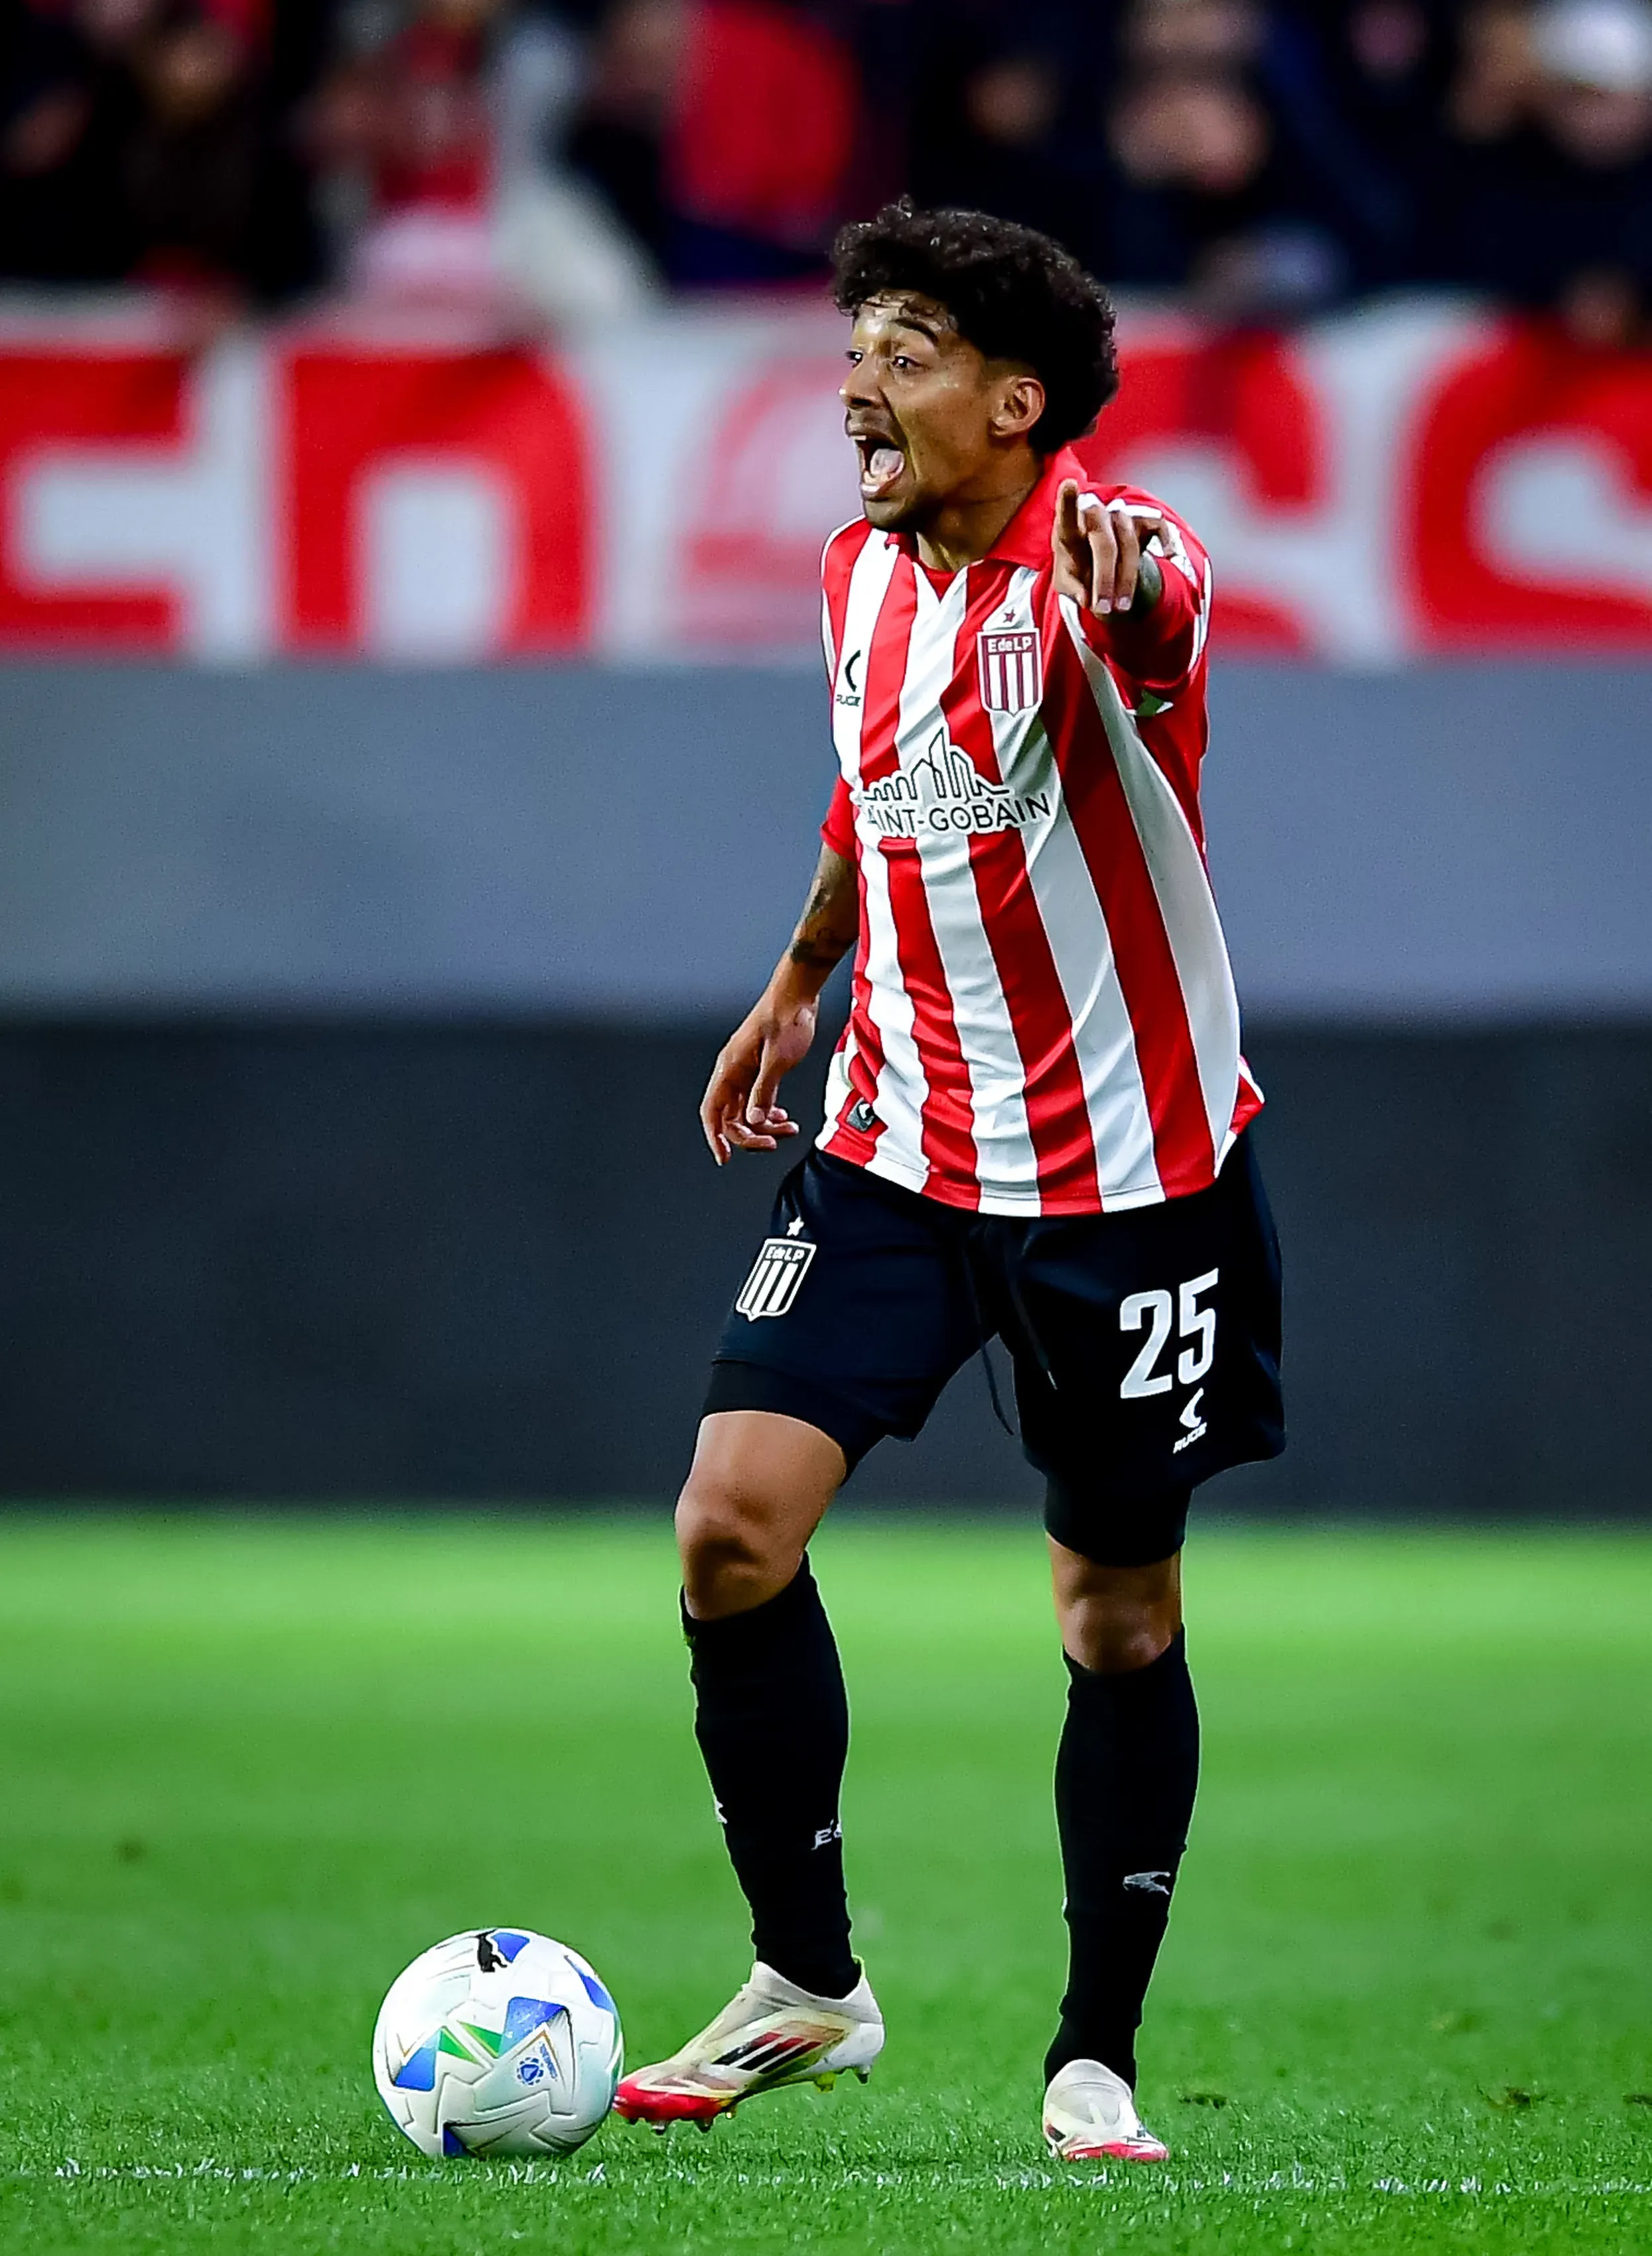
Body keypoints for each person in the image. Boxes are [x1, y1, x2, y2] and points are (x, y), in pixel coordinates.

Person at [613, 200, 1284, 2164]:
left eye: (903, 354)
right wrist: (802, 975)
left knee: (1116, 1619)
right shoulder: (855, 575)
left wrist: (1125, 565)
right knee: (730, 1525)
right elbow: (865, 782)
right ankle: (809, 1978)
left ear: (1017, 402)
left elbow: (1154, 604)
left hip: (1129, 1181)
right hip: (895, 1143)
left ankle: (1095, 2058)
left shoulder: (1115, 575)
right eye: (854, 353)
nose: (857, 389)